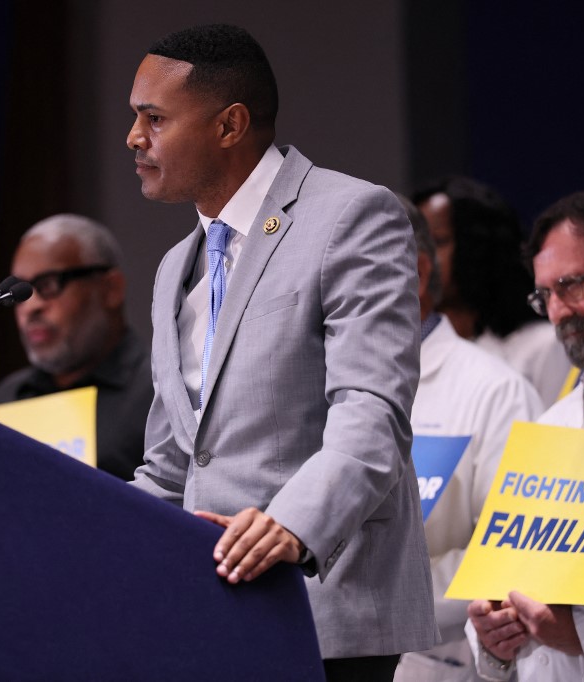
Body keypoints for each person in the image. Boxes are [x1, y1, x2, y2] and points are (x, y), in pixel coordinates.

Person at [125, 24, 435, 680]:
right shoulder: (174, 267)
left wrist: (291, 525)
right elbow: (175, 462)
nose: (134, 138)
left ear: (230, 125)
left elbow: (372, 411)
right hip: (208, 618)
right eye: (135, 118)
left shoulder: (350, 216)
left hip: (325, 609)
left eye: (154, 118)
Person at [466, 189, 584, 681]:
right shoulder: (550, 426)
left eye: (571, 285)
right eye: (544, 294)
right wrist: (492, 634)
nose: (558, 312)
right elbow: (503, 577)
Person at [394, 198, 543, 682]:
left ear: (416, 275)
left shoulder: (496, 392)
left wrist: (368, 598)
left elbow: (512, 558)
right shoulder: (313, 391)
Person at [0, 214, 152, 481]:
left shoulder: (162, 390)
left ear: (111, 289)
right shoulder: (6, 398)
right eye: (19, 291)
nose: (31, 306)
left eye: (48, 284)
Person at [413, 177, 571, 406]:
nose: (420, 259)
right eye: (414, 243)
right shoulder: (409, 351)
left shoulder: (541, 347)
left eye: (437, 242)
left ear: (478, 247)